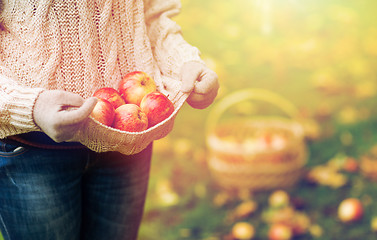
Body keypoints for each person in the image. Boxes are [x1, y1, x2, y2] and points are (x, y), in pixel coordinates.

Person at [0, 0, 219, 239]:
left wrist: (183, 62)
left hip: (127, 137)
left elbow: (154, 14)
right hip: (32, 151)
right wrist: (27, 106)